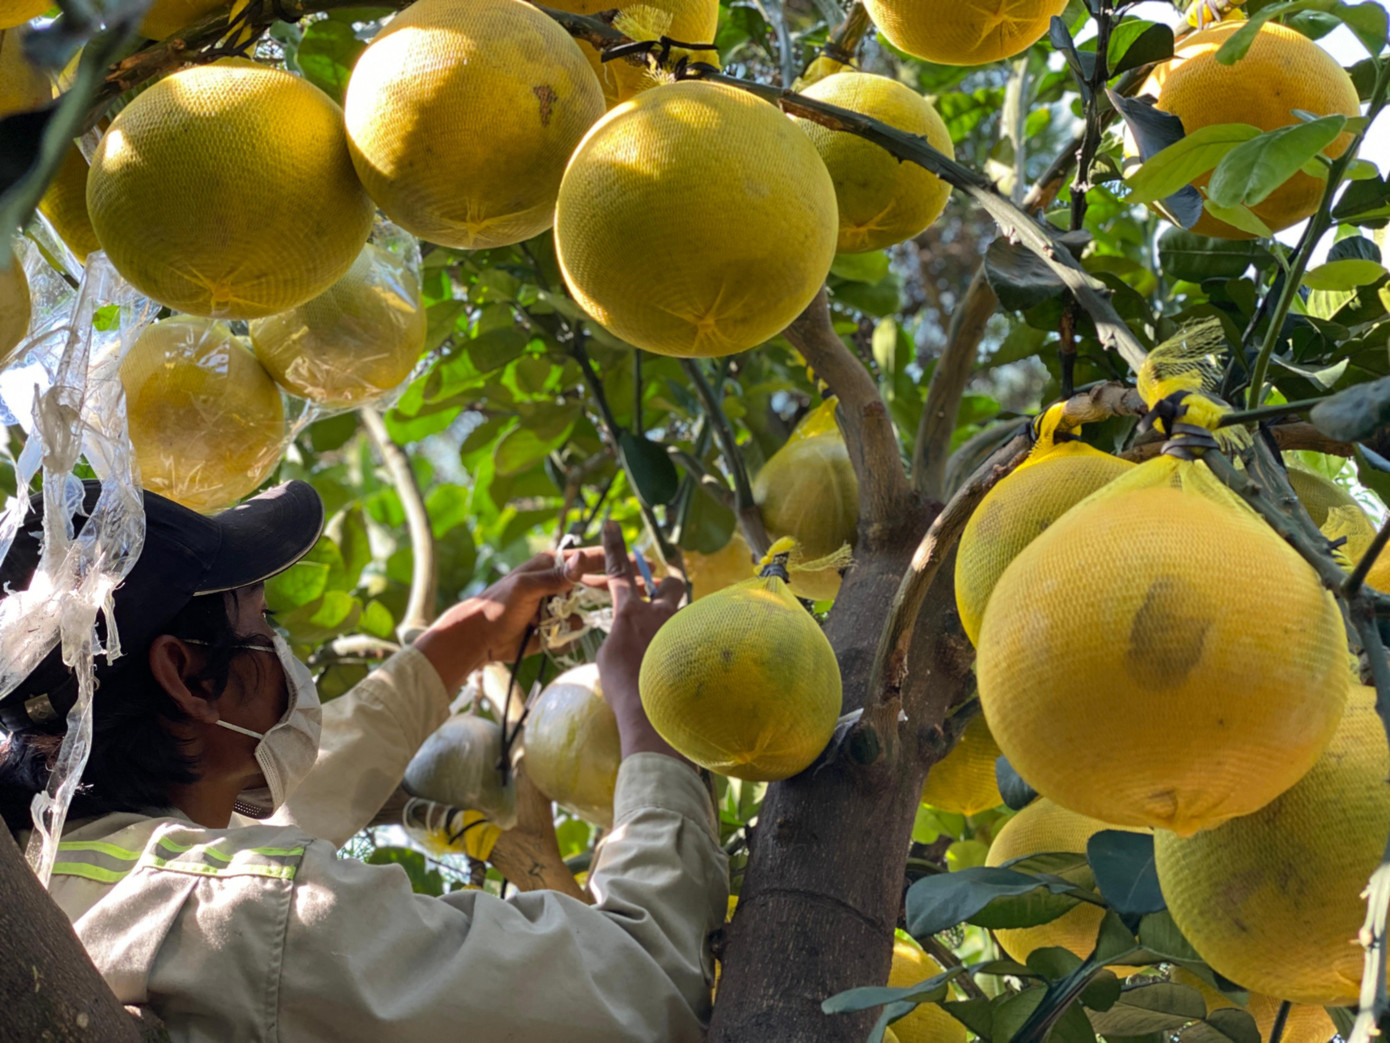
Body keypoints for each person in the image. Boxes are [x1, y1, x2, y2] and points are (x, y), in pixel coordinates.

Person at [0, 479, 728, 1040]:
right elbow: (643, 988)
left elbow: (279, 826)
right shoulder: (240, 918)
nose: (282, 648)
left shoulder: (73, 876)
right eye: (265, 620)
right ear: (191, 677)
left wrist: (465, 637)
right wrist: (651, 726)